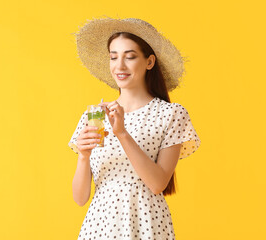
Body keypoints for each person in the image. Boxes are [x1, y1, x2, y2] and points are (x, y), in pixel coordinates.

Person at [68, 17, 201, 240]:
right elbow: (80, 198)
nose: (119, 66)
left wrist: (122, 133)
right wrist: (83, 156)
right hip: (99, 226)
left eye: (129, 57)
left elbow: (158, 184)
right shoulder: (95, 116)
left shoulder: (171, 114)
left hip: (147, 224)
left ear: (149, 62)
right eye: (113, 57)